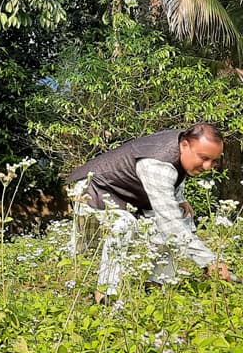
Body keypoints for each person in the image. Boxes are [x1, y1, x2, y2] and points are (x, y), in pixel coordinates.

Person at [67, 123, 235, 302]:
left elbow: (177, 171)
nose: (208, 166)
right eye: (203, 158)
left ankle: (157, 286)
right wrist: (209, 262)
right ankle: (106, 295)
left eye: (213, 160)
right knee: (124, 224)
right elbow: (170, 223)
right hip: (93, 191)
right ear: (185, 145)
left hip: (126, 197)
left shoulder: (183, 143)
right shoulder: (157, 164)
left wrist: (179, 198)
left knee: (183, 218)